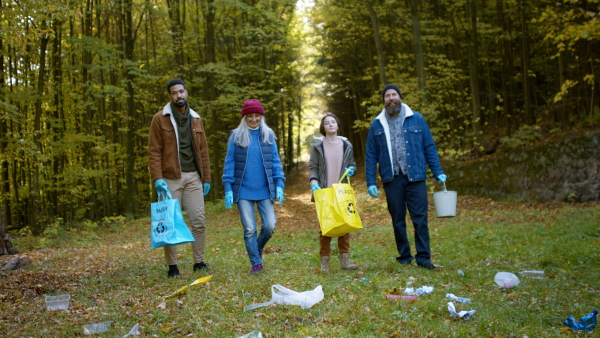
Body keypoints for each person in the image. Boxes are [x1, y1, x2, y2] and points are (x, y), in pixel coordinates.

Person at [365, 84, 447, 270]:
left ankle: (424, 258)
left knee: (420, 218)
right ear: (384, 100)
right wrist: (371, 181)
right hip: (391, 178)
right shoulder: (377, 124)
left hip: (415, 176)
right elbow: (371, 155)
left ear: (400, 97)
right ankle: (404, 256)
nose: (391, 98)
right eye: (387, 95)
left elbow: (429, 147)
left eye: (394, 94)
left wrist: (438, 171)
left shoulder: (416, 118)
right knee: (398, 219)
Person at [148, 78, 212, 277]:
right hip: (170, 178)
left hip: (194, 177)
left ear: (186, 93)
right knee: (169, 222)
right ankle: (172, 266)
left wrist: (207, 178)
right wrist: (157, 177)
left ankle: (199, 262)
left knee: (198, 220)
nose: (179, 95)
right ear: (170, 96)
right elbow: (154, 151)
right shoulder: (160, 119)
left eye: (181, 91)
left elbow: (203, 151)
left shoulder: (196, 119)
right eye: (174, 93)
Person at [222, 99, 285, 274]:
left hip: (264, 189)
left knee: (270, 225)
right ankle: (256, 263)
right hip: (243, 189)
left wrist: (279, 184)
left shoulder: (268, 134)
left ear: (261, 117)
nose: (254, 119)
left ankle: (256, 248)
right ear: (245, 117)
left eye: (257, 116)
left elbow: (275, 161)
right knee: (249, 228)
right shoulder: (236, 135)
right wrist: (228, 187)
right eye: (250, 116)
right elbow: (230, 162)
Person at [308, 113, 358, 272]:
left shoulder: (346, 145)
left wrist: (352, 170)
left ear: (338, 125)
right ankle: (325, 264)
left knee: (344, 226)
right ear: (323, 127)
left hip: (342, 191)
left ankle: (345, 262)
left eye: (333, 122)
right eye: (327, 123)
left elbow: (352, 164)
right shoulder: (317, 146)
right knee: (326, 228)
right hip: (324, 191)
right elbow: (312, 168)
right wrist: (314, 183)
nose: (330, 124)